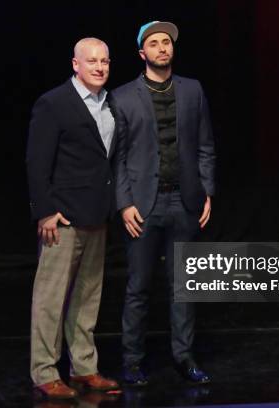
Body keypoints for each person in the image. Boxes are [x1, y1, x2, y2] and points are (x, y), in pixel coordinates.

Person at [111, 21, 216, 385]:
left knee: (184, 285)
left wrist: (206, 192)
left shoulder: (193, 90)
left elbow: (205, 146)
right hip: (144, 205)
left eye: (166, 42)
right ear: (142, 53)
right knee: (138, 286)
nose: (162, 48)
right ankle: (133, 361)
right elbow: (119, 157)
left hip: (184, 202)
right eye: (154, 43)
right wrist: (124, 204)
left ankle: (184, 357)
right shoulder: (123, 97)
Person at [27, 37, 119, 399]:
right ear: (75, 65)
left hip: (97, 214)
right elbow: (37, 162)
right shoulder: (54, 103)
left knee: (88, 296)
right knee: (51, 298)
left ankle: (84, 367)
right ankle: (45, 372)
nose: (99, 67)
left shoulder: (110, 103)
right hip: (63, 217)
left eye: (105, 61)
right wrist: (46, 210)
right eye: (92, 61)